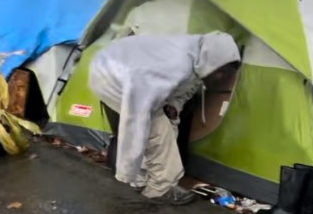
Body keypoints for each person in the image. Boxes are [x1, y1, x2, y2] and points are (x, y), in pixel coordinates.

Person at [88, 32, 240, 205]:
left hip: (125, 71)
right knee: (158, 133)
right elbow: (136, 117)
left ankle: (142, 179)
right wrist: (127, 170)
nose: (222, 77)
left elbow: (183, 92)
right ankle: (159, 189)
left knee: (166, 125)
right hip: (112, 77)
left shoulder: (198, 61)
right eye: (221, 72)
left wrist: (172, 108)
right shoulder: (177, 64)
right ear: (213, 60)